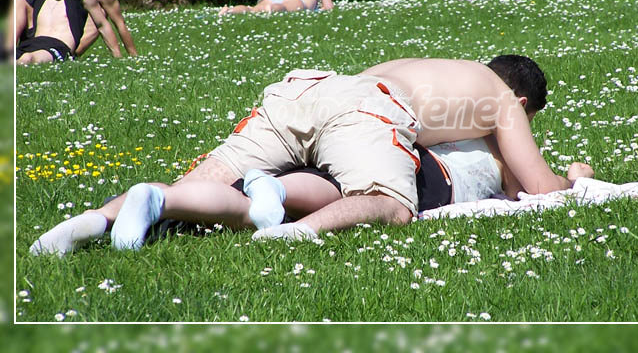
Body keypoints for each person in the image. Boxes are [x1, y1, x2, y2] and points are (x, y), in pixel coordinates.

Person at [30, 55, 587, 253]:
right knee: (392, 204)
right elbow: (538, 188)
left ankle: (100, 218)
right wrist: (574, 175)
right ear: (523, 102)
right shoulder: (501, 98)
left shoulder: (447, 70)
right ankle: (296, 232)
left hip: (308, 89)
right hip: (370, 108)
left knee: (210, 177)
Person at [30, 135, 594, 256]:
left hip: (353, 143)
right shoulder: (499, 134)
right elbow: (532, 192)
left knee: (246, 200)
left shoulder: (445, 118)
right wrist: (577, 173)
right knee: (259, 211)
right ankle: (272, 195)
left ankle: (122, 211)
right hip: (424, 175)